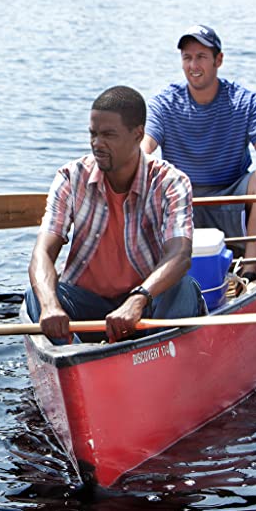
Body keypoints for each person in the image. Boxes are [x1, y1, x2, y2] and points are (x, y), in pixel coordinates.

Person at [27, 86, 206, 345]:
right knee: (36, 294)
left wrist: (138, 298)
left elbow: (180, 255)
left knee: (183, 288)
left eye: (108, 135)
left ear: (138, 135)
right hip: (87, 309)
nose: (97, 144)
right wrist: (50, 305)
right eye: (93, 134)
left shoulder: (171, 182)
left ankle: (156, 357)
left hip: (144, 308)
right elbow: (42, 252)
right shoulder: (70, 176)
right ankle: (76, 360)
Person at [142, 25, 256, 283]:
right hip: (182, 198)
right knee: (142, 174)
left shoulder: (243, 100)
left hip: (231, 195)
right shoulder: (164, 102)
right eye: (187, 57)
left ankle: (250, 272)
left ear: (218, 60)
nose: (193, 65)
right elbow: (145, 144)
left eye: (201, 57)